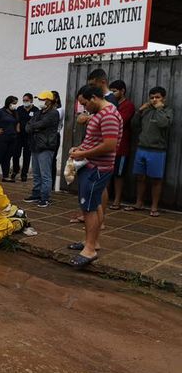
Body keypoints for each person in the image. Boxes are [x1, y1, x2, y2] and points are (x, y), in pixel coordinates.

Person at [68, 86, 122, 267]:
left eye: (84, 104)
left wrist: (84, 153)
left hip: (97, 168)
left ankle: (89, 250)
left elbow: (110, 145)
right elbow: (96, 139)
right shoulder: (102, 113)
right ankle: (92, 242)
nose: (84, 108)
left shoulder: (108, 115)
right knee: (94, 203)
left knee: (89, 206)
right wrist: (80, 149)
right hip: (91, 165)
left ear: (93, 98)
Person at [126, 86, 173, 217]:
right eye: (152, 97)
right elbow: (134, 125)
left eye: (157, 97)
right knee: (140, 178)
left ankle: (154, 207)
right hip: (142, 148)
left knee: (156, 180)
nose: (154, 100)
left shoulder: (167, 110)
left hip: (157, 150)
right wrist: (139, 111)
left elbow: (164, 124)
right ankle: (138, 203)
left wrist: (159, 109)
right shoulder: (146, 110)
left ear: (163, 98)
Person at [24, 91, 60, 208]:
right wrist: (35, 127)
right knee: (36, 173)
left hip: (46, 146)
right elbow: (28, 127)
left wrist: (35, 126)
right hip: (35, 145)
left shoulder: (53, 113)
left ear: (49, 101)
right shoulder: (38, 113)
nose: (40, 102)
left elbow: (41, 124)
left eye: (42, 99)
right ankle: (36, 194)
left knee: (45, 174)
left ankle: (45, 198)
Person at [108, 80, 136, 210]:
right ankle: (106, 197)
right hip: (109, 145)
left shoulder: (128, 105)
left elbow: (121, 121)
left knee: (119, 175)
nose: (113, 93)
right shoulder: (110, 104)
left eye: (114, 91)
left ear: (122, 91)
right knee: (106, 173)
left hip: (122, 146)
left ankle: (117, 200)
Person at [0, 96, 19, 181]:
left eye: (16, 103)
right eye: (13, 103)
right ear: (8, 103)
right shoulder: (0, 112)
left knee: (7, 157)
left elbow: (17, 123)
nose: (15, 105)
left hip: (12, 138)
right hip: (1, 138)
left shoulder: (15, 113)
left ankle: (5, 176)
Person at [12, 93, 37, 182]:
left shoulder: (36, 110)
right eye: (24, 100)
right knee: (16, 154)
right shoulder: (19, 109)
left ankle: (24, 174)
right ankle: (15, 170)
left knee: (27, 155)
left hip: (29, 136)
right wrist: (17, 127)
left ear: (31, 100)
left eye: (27, 100)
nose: (25, 102)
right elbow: (16, 120)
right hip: (19, 135)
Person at [50, 90, 64, 189]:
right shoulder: (48, 110)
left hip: (54, 135)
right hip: (46, 136)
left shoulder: (59, 110)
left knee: (52, 159)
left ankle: (51, 184)